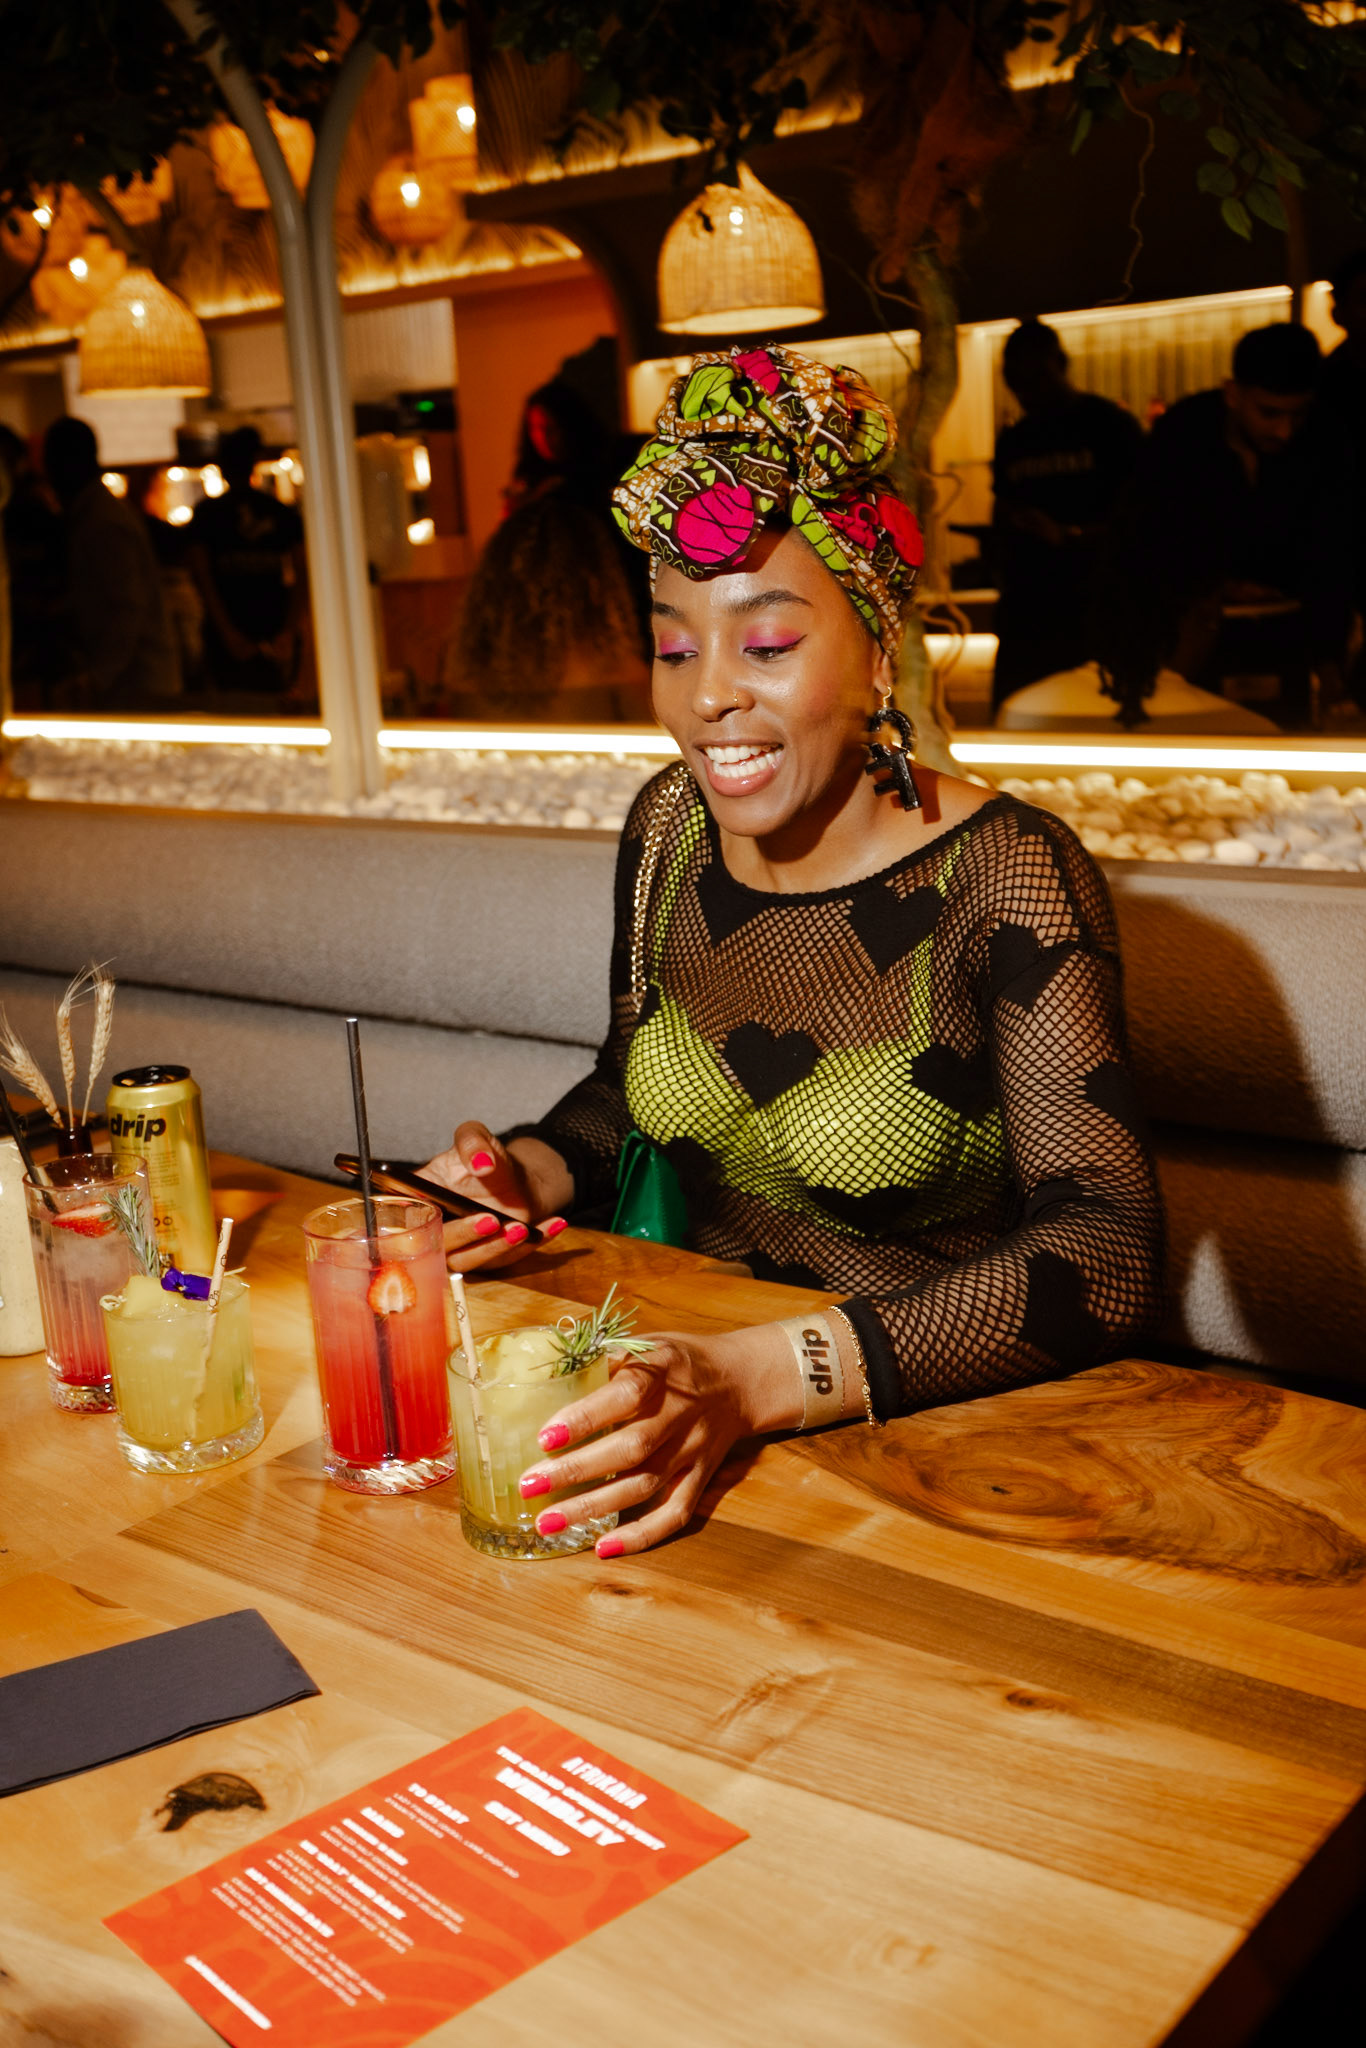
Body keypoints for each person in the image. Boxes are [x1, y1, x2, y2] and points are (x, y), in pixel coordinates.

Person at [420, 343, 1164, 1560]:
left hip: (946, 1454)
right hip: (678, 1396)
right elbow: (630, 1083)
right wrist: (528, 1171)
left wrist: (755, 1376)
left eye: (763, 645)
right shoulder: (669, 828)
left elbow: (1106, 1247)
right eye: (673, 647)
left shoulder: (1005, 872)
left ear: (875, 648)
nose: (706, 696)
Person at [1095, 321, 1356, 727]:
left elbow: (1337, 551)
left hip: (1292, 641)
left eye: (1298, 415)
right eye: (1269, 413)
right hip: (1184, 642)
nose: (1284, 431)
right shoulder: (1182, 435)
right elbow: (1141, 542)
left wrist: (1331, 663)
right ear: (1233, 394)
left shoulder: (1326, 439)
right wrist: (1209, 584)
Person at [444, 378, 650, 721]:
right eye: (535, 429)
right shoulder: (529, 494)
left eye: (551, 427)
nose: (544, 438)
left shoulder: (604, 485)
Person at [988, 320, 1143, 709]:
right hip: (1028, 611)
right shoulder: (1015, 440)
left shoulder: (1109, 426)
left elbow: (1144, 519)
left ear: (1060, 364)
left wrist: (1070, 535)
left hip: (1098, 609)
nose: (1026, 391)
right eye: (1016, 381)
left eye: (1035, 377)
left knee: (1094, 717)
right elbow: (1003, 510)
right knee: (1018, 715)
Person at [42, 416, 180, 707]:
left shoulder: (102, 521)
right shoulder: (101, 514)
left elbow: (127, 607)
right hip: (135, 678)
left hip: (135, 682)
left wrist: (97, 677)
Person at [187, 426, 307, 696]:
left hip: (237, 632)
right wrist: (289, 630)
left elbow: (201, 576)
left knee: (235, 707)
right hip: (268, 628)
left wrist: (227, 632)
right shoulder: (278, 511)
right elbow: (303, 572)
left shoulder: (208, 514)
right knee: (276, 705)